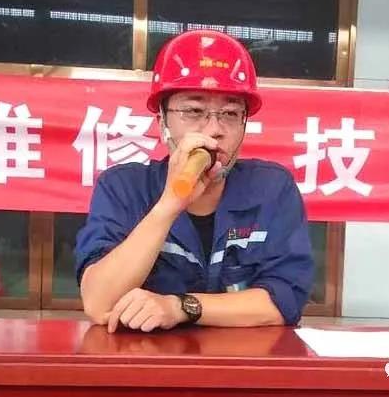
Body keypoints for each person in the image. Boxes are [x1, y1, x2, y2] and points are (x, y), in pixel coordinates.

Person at [75, 30, 314, 333]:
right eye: (193, 111)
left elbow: (285, 301)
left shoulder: (272, 189)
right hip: (148, 359)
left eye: (230, 113)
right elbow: (99, 303)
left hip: (246, 360)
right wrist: (169, 204)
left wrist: (180, 307)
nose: (214, 129)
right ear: (162, 121)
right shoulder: (123, 188)